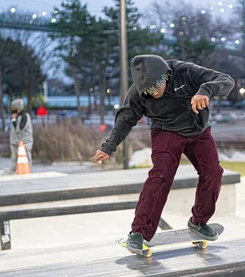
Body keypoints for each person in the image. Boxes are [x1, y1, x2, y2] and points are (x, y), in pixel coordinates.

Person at [93, 54, 234, 255]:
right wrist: (108, 147)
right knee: (161, 176)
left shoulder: (185, 72)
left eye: (158, 85)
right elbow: (125, 120)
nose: (156, 92)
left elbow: (226, 80)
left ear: (166, 75)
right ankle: (139, 232)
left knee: (213, 172)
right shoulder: (138, 92)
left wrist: (205, 90)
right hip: (166, 131)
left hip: (198, 130)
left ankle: (198, 221)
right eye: (150, 89)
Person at [9, 99, 33, 173]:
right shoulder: (17, 117)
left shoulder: (24, 116)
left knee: (26, 158)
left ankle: (27, 171)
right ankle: (13, 172)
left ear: (18, 108)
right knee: (14, 159)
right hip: (15, 143)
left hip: (25, 143)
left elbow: (19, 129)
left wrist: (13, 120)